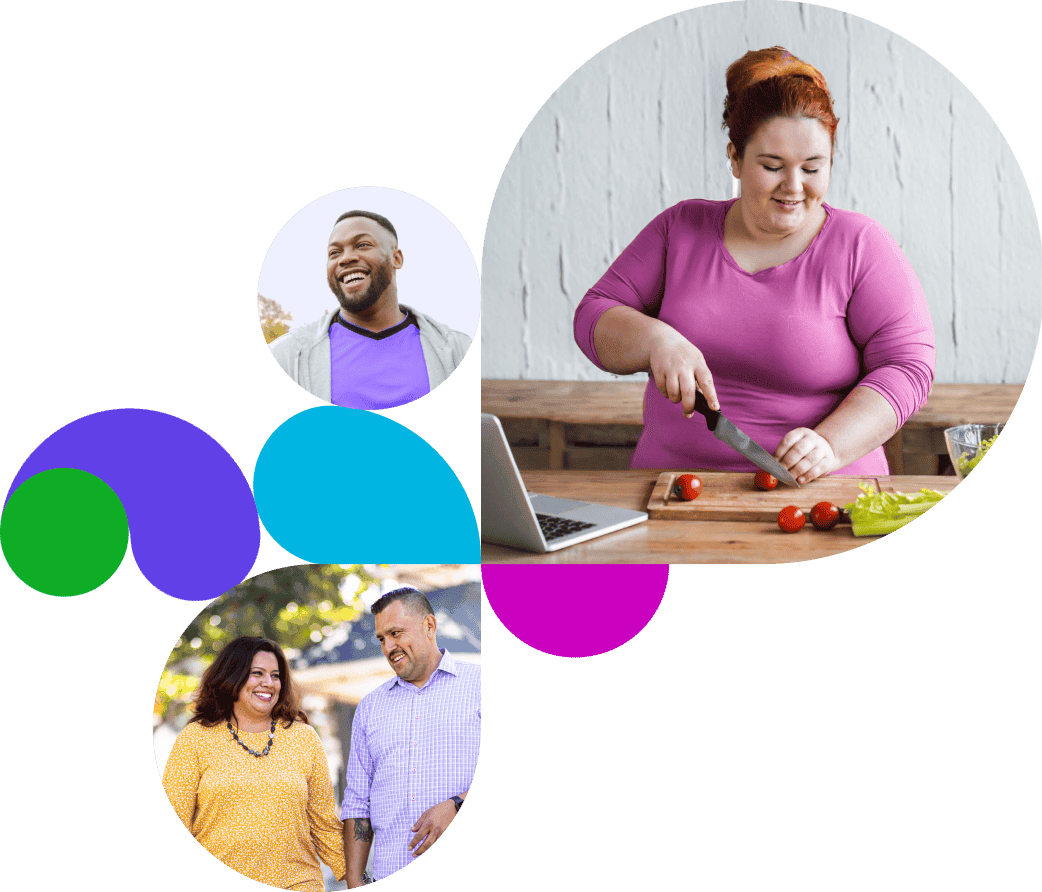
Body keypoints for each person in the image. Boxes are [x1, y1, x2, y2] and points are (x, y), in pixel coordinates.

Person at [573, 47, 935, 483]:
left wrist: (830, 445)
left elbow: (908, 368)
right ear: (735, 158)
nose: (794, 186)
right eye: (772, 166)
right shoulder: (680, 228)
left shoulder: (862, 246)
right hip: (668, 489)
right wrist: (655, 339)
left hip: (820, 495)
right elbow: (593, 315)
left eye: (812, 168)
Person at [161, 636, 345, 891]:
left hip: (298, 884)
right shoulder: (196, 738)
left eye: (275, 676)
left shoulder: (303, 738)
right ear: (232, 676)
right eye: (257, 673)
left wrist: (355, 876)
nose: (268, 683)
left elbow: (325, 826)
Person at [341, 587, 480, 886]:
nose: (388, 647)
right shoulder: (369, 708)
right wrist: (353, 880)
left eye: (396, 633)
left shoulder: (481, 686)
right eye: (382, 639)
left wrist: (458, 804)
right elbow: (357, 802)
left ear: (429, 625)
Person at [268, 210, 471, 409]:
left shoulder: (458, 351)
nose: (345, 258)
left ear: (396, 258)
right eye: (334, 252)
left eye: (363, 245)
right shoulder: (286, 358)